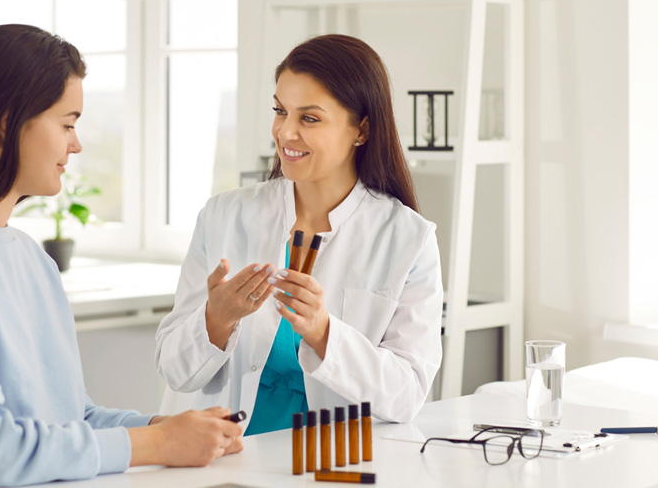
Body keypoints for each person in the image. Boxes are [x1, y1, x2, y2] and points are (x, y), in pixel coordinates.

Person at [0, 24, 242, 487]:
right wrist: (157, 446)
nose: (76, 143)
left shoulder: (30, 258)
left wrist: (162, 429)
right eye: (67, 123)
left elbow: (70, 419)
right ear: (6, 120)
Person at [155, 34, 443, 435]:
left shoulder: (408, 239)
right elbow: (174, 370)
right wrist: (215, 320)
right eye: (280, 111)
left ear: (361, 130)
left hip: (332, 465)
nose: (285, 132)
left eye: (309, 118)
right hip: (225, 457)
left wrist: (324, 332)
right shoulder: (223, 216)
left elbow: (407, 396)